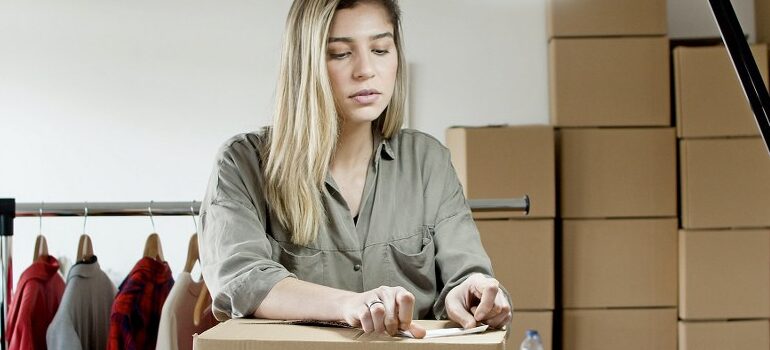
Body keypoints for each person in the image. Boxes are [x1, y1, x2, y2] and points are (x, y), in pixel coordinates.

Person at [199, 0, 512, 339]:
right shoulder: (242, 163)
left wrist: (473, 292)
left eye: (380, 49)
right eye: (340, 54)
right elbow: (242, 281)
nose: (366, 69)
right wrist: (352, 306)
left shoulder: (429, 161)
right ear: (306, 64)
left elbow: (463, 274)